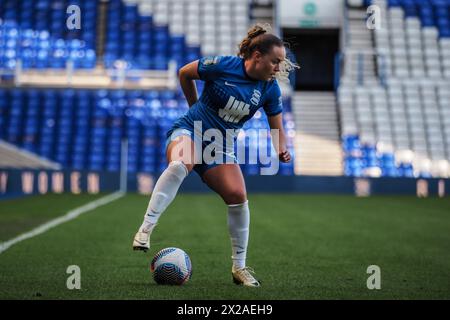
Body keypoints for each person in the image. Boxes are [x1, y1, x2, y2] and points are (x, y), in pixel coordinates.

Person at [133, 24, 297, 287]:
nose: (279, 68)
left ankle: (239, 269)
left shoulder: (270, 89)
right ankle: (145, 229)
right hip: (191, 130)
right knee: (179, 165)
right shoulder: (222, 65)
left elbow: (277, 128)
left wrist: (281, 148)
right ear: (257, 56)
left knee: (238, 197)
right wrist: (193, 106)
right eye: (275, 62)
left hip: (220, 147)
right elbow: (185, 73)